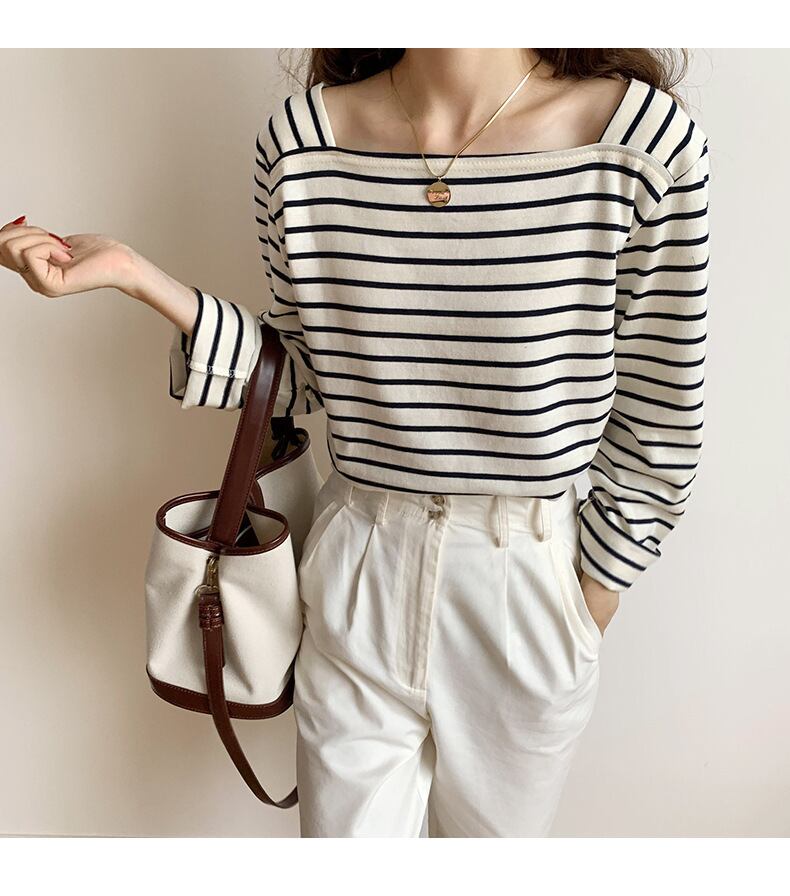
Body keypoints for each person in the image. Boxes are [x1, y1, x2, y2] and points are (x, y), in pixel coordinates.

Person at [0, 48, 710, 837]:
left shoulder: (640, 142)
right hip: (359, 559)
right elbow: (303, 372)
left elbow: (661, 409)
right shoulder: (302, 144)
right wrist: (139, 277)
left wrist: (590, 597)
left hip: (526, 580)